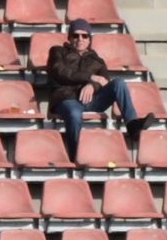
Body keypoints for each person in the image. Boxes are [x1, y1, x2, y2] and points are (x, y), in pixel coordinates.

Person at [41, 17, 145, 159]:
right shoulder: (57, 51)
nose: (80, 39)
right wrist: (90, 77)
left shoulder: (97, 60)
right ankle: (75, 157)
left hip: (91, 100)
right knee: (74, 113)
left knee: (119, 83)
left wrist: (92, 85)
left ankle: (132, 126)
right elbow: (60, 72)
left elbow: (104, 81)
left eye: (84, 36)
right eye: (76, 35)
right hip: (67, 98)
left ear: (89, 40)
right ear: (69, 38)